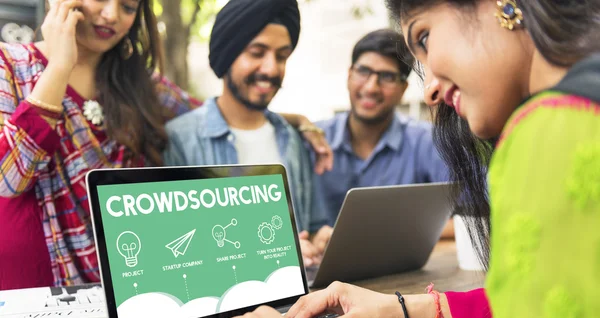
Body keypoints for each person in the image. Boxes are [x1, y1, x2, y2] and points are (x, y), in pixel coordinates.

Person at [191, 1, 600, 318]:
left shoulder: (552, 131)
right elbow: (540, 312)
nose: (432, 91)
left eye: (424, 36)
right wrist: (401, 310)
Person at [0, 0, 204, 290]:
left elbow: (212, 119)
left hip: (125, 288)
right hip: (30, 294)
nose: (112, 15)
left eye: (128, 7)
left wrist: (291, 120)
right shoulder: (8, 65)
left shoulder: (141, 85)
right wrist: (59, 66)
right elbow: (8, 177)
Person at [164, 0, 329, 265]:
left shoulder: (293, 138)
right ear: (228, 55)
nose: (271, 68)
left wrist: (323, 237)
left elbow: (314, 222)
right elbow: (175, 244)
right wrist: (276, 250)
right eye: (257, 52)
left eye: (281, 56)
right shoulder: (179, 140)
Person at [315, 29, 449, 227]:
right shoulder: (313, 139)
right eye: (363, 71)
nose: (371, 88)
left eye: (387, 77)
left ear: (403, 89)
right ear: (349, 75)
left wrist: (391, 231)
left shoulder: (427, 141)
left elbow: (474, 212)